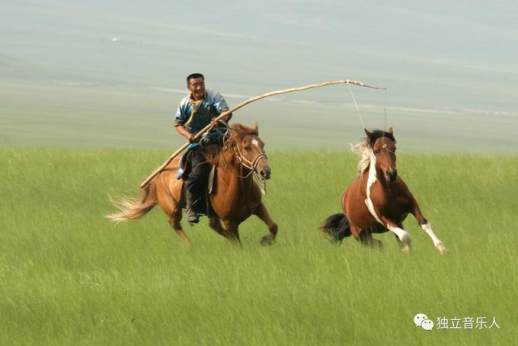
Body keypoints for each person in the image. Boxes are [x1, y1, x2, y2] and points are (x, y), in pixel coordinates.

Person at [174, 73, 231, 224]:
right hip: (199, 145)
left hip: (221, 139)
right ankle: (191, 208)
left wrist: (219, 119)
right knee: (197, 174)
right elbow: (178, 124)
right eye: (195, 85)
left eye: (201, 84)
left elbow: (227, 112)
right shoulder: (185, 103)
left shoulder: (214, 96)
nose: (199, 87)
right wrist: (189, 136)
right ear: (189, 87)